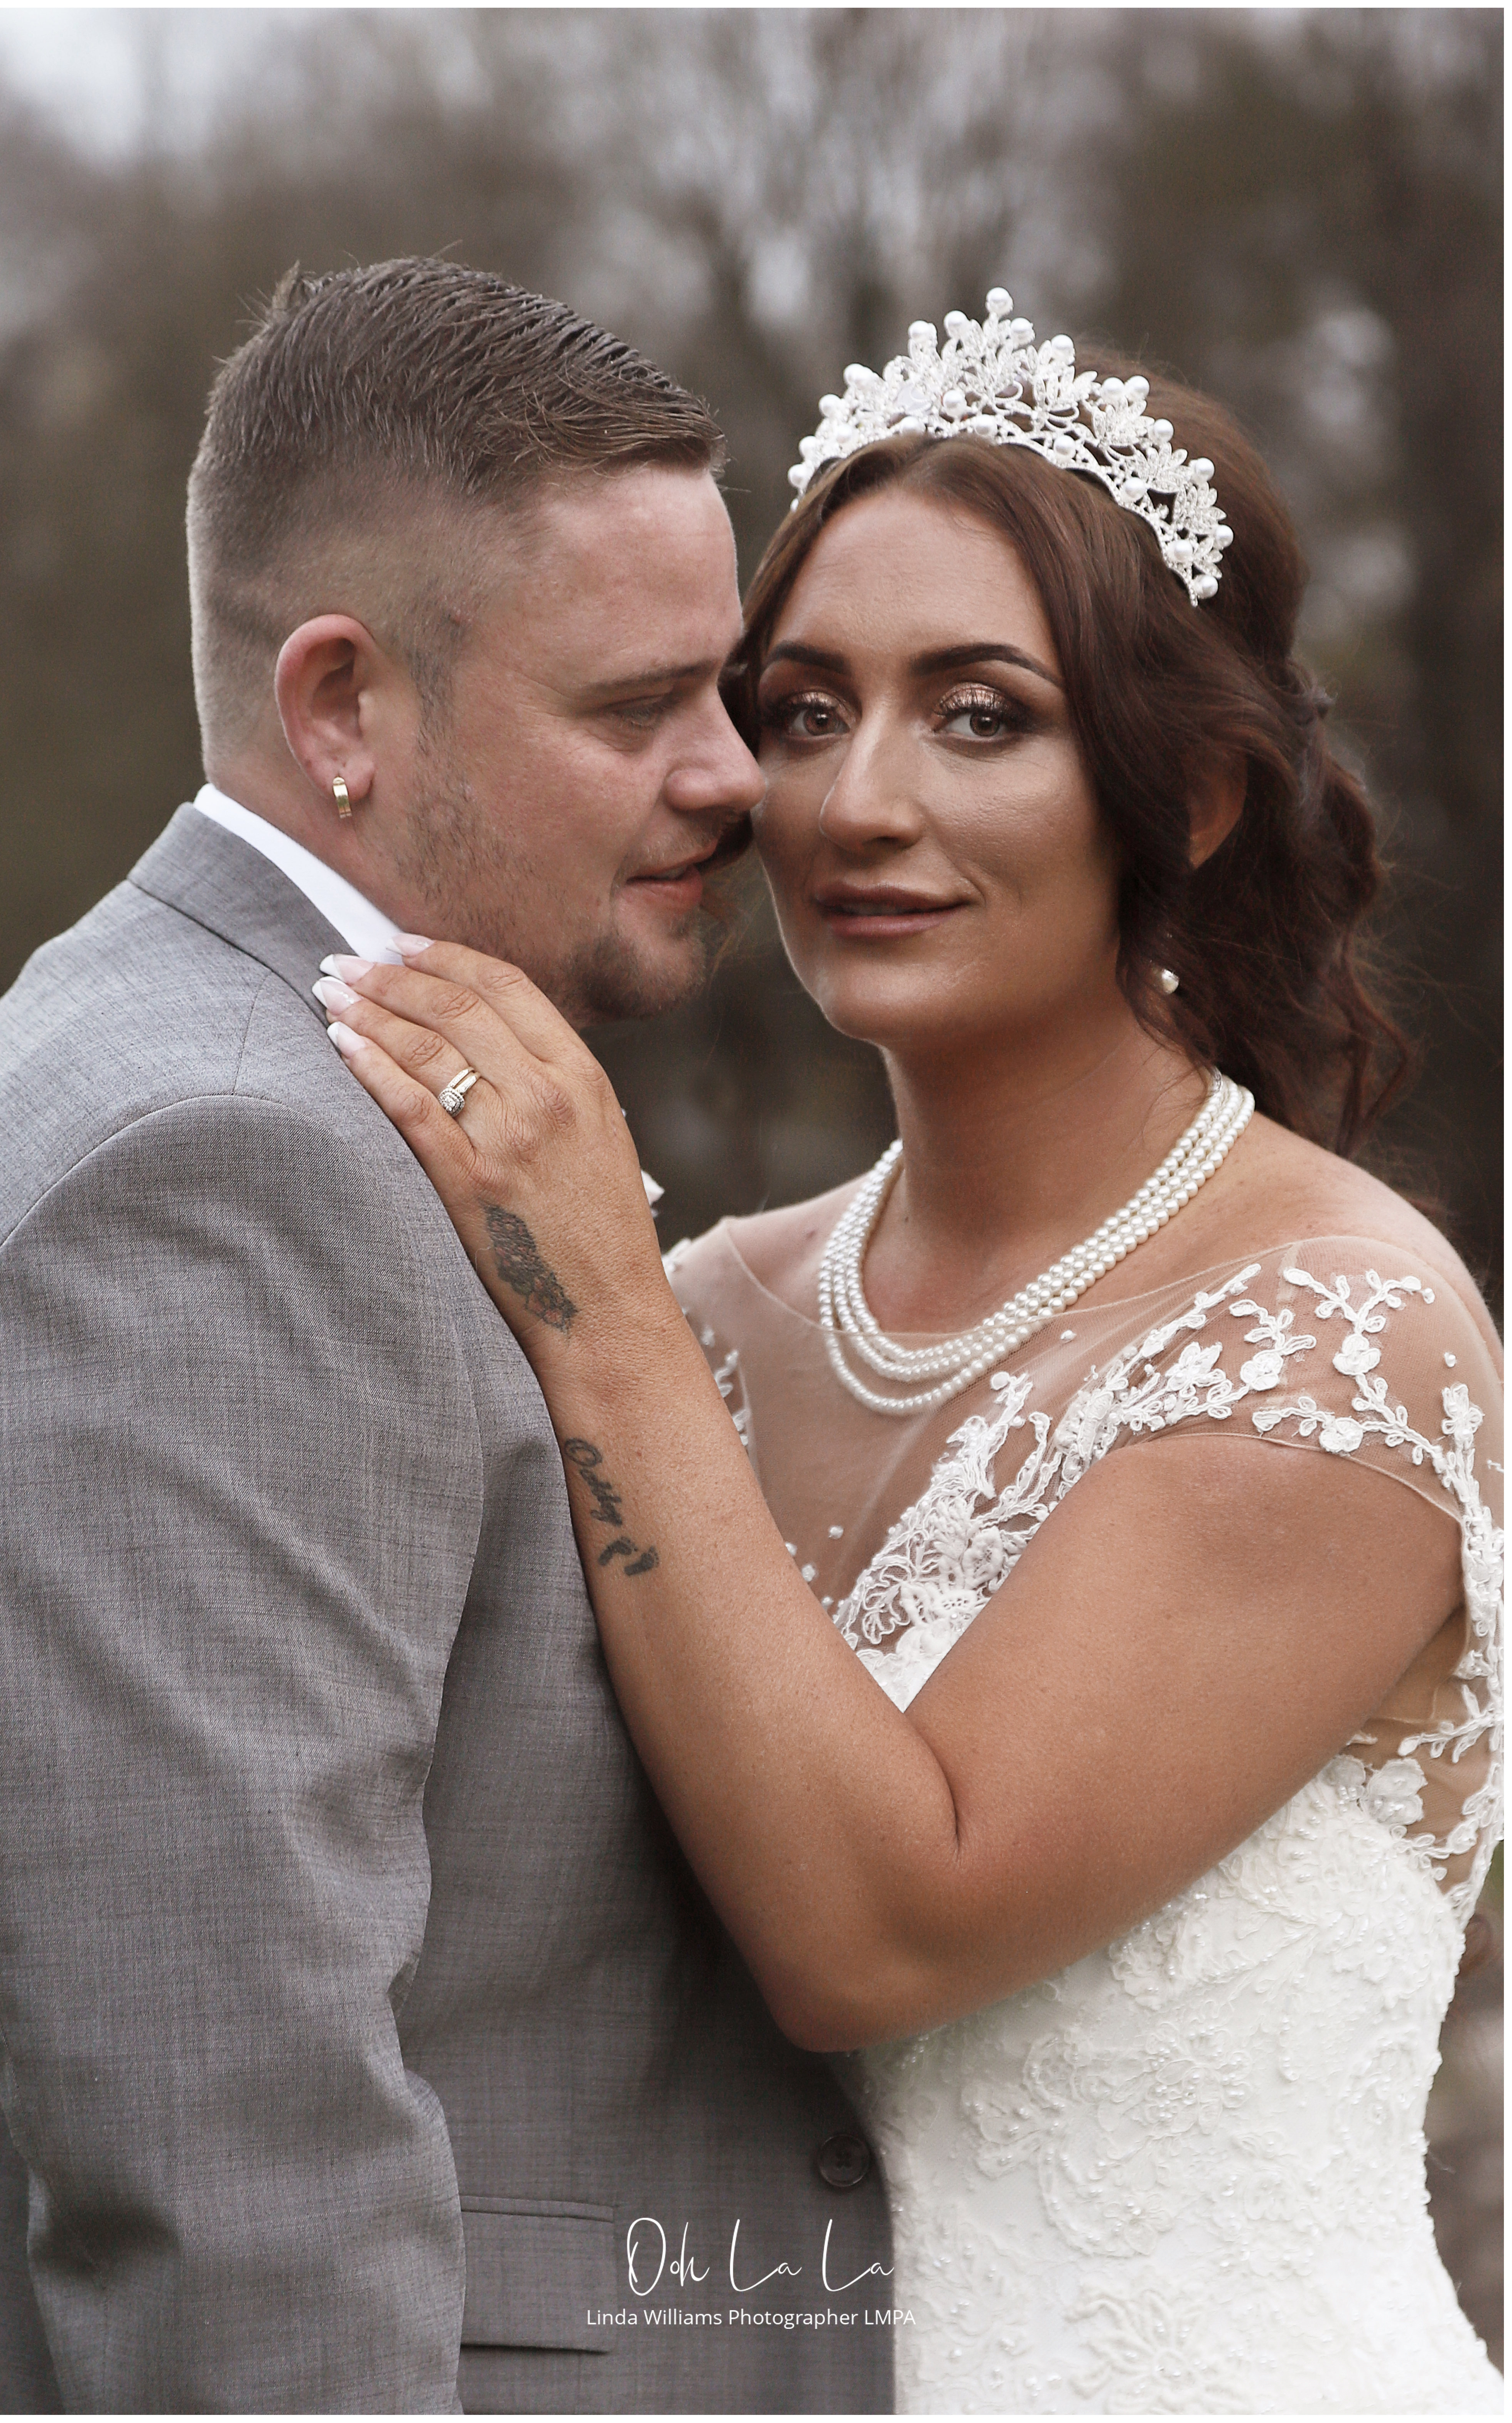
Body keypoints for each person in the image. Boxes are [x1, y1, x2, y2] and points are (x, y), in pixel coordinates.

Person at [320, 294, 1504, 2414]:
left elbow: (881, 1932)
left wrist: (588, 1303)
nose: (859, 802)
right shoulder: (713, 1317)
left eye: (980, 716)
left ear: (1199, 792)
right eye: (801, 709)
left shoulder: (1333, 1338)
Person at [0, 259, 894, 2413]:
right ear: (342, 706)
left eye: (730, 693)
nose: (736, 778)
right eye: (639, 710)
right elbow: (230, 2191)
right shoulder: (210, 1184)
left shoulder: (271, 1086)